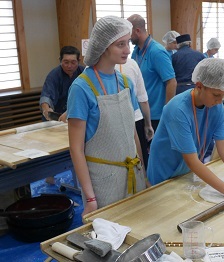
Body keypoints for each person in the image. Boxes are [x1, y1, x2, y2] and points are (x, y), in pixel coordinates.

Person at [147, 58, 224, 199]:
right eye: (216, 95)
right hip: (163, 174)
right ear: (199, 86)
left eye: (223, 96)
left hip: (184, 173)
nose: (219, 101)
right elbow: (191, 160)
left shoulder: (216, 107)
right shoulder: (178, 109)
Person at [67, 16, 146, 217]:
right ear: (103, 46)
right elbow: (76, 149)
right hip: (103, 181)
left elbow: (133, 134)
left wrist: (143, 173)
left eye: (128, 42)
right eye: (120, 44)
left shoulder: (126, 83)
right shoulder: (82, 87)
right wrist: (91, 198)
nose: (127, 49)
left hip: (133, 175)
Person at [128, 14, 177, 139]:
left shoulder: (157, 51)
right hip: (142, 113)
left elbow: (171, 82)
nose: (127, 36)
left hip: (156, 115)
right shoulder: (136, 51)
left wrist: (167, 111)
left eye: (129, 32)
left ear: (137, 31)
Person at [115, 58, 154, 169]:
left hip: (114, 122)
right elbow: (143, 99)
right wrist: (148, 124)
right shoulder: (131, 64)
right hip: (135, 119)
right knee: (139, 163)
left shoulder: (91, 68)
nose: (127, 50)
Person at [40, 46, 84, 123]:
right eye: (66, 62)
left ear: (79, 61)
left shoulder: (84, 73)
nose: (69, 66)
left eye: (73, 62)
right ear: (60, 60)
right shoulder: (54, 75)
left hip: (77, 115)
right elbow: (46, 96)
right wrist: (46, 109)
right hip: (57, 117)